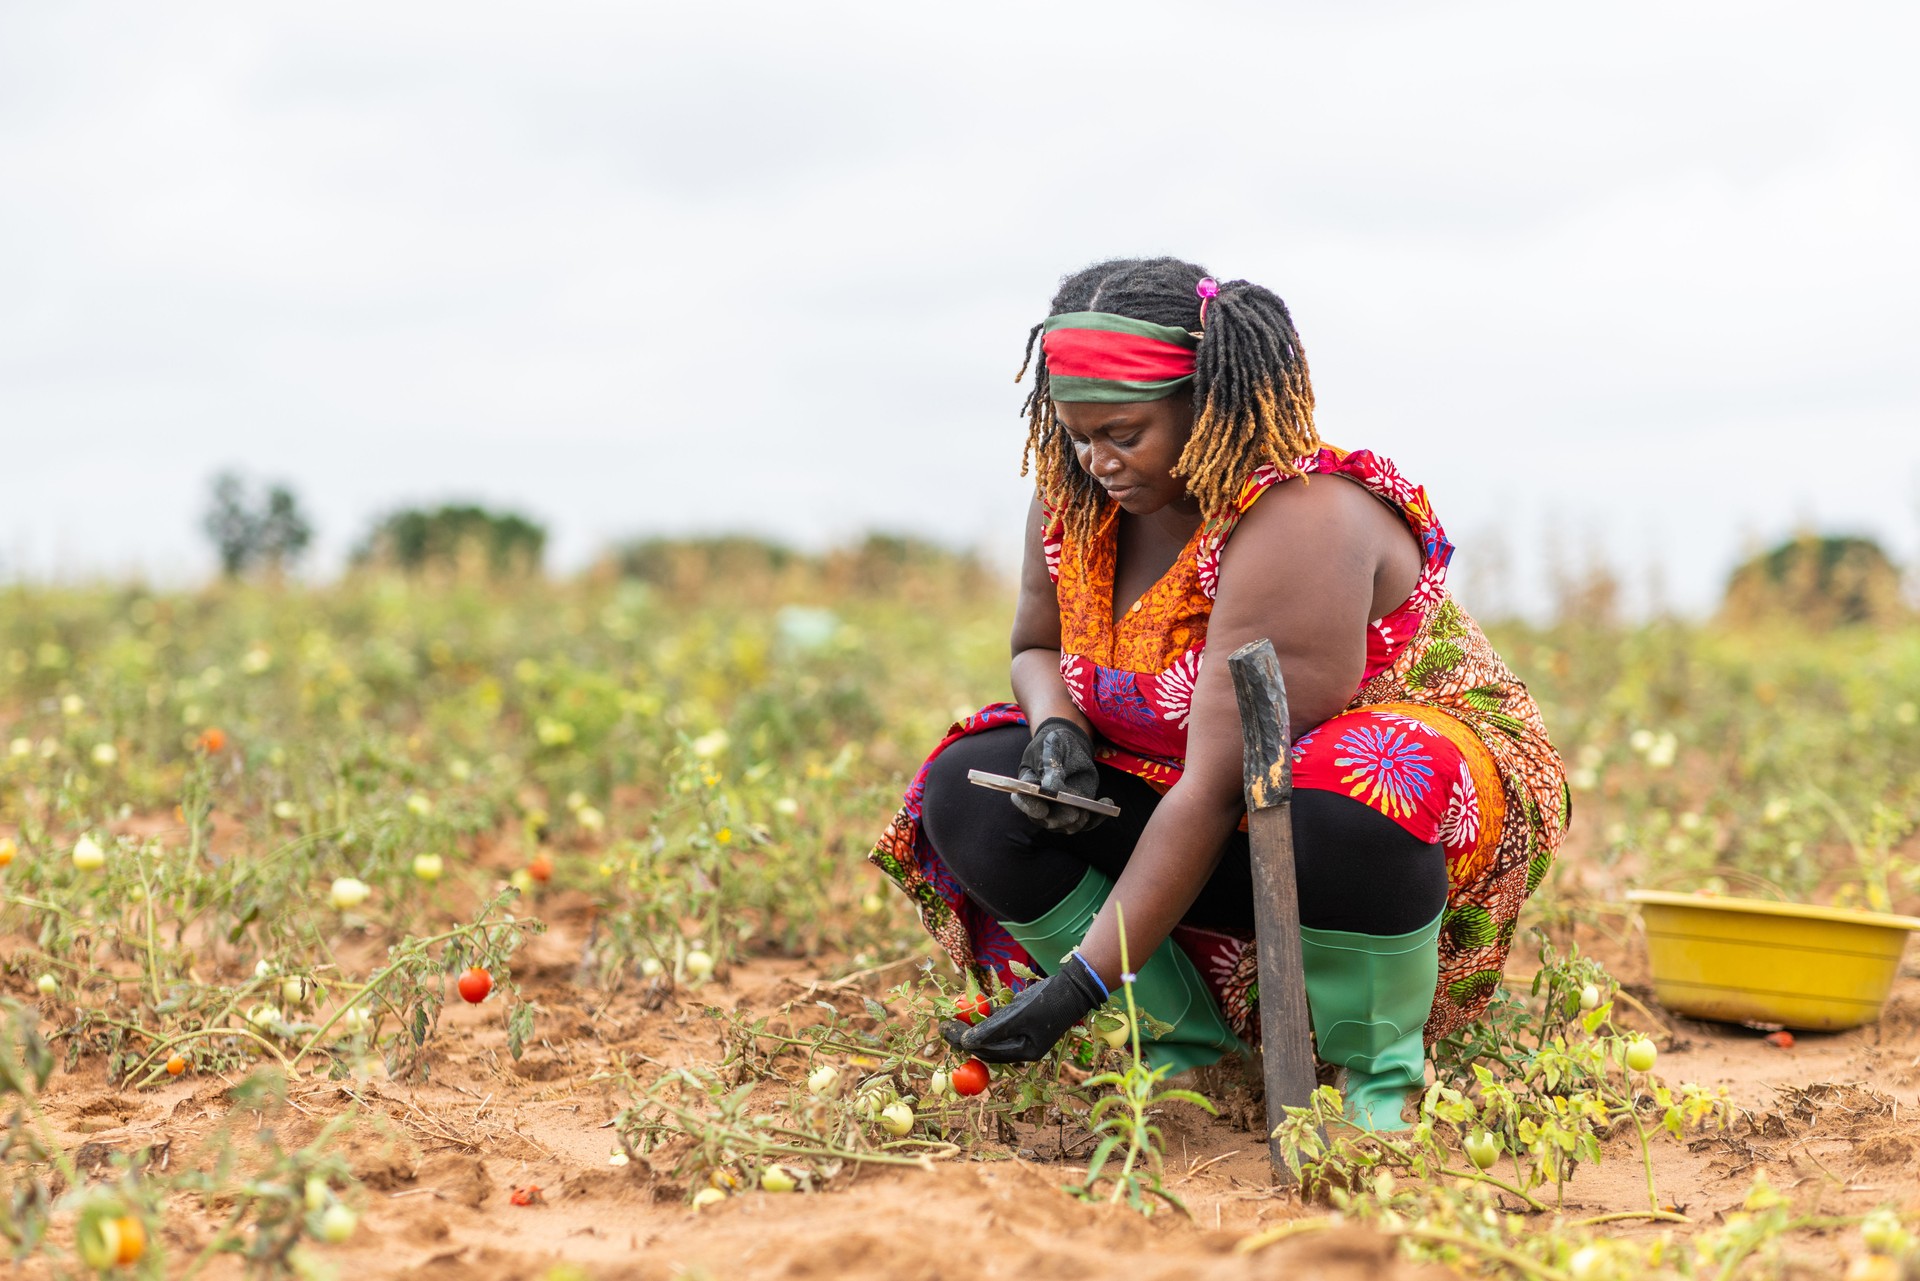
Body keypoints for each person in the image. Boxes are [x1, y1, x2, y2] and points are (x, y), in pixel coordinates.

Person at [868, 257, 1568, 1130]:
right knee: (971, 782)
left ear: (1206, 404)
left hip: (1379, 822)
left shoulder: (1301, 517)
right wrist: (1059, 731)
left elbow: (1221, 783)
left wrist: (1075, 988)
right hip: (1195, 794)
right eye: (1079, 435)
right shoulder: (1077, 493)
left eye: (1123, 432)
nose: (1100, 461)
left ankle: (1375, 1078)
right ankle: (1180, 1044)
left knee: (1351, 777)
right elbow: (1035, 644)